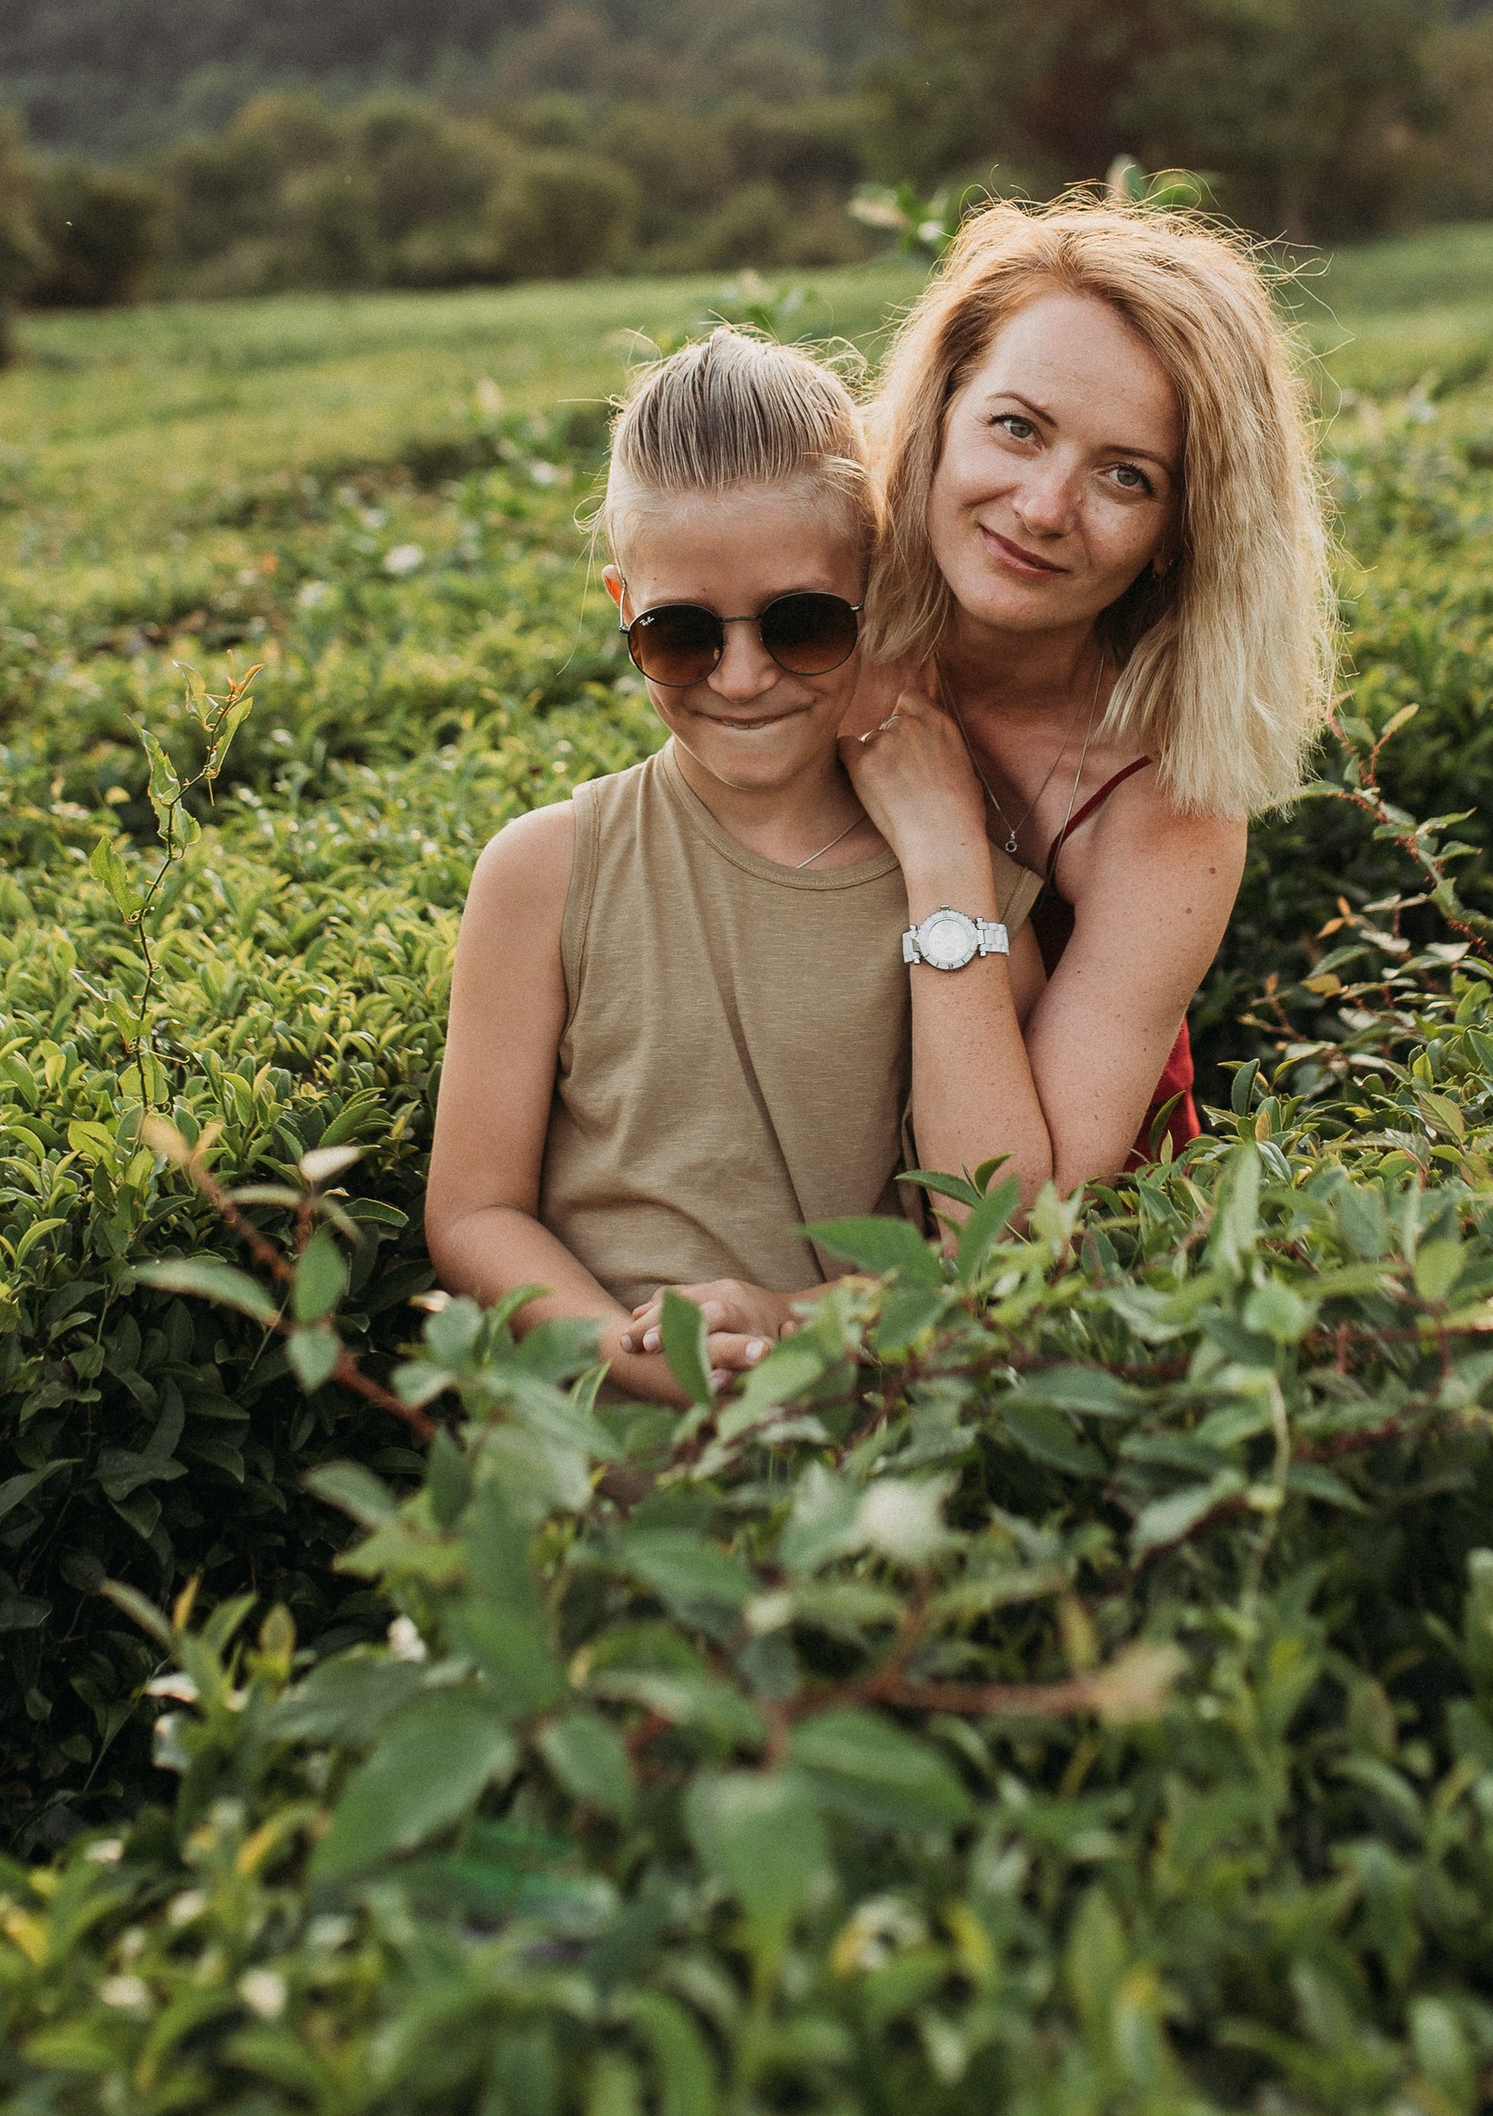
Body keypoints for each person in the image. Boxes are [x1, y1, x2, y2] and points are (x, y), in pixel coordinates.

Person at [425, 326, 1047, 1400]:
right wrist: (628, 1353)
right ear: (624, 609)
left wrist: (793, 1338)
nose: (745, 676)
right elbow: (475, 1210)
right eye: (681, 634)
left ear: (876, 590)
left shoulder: (968, 896)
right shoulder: (541, 870)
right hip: (591, 1481)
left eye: (802, 622)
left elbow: (989, 1236)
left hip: (871, 1469)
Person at [841, 194, 1333, 1186]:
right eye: (1017, 426)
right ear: (940, 409)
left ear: (1178, 538)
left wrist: (944, 847)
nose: (1042, 508)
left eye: (1126, 478)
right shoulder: (815, 616)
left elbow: (1027, 1218)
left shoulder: (1167, 801)